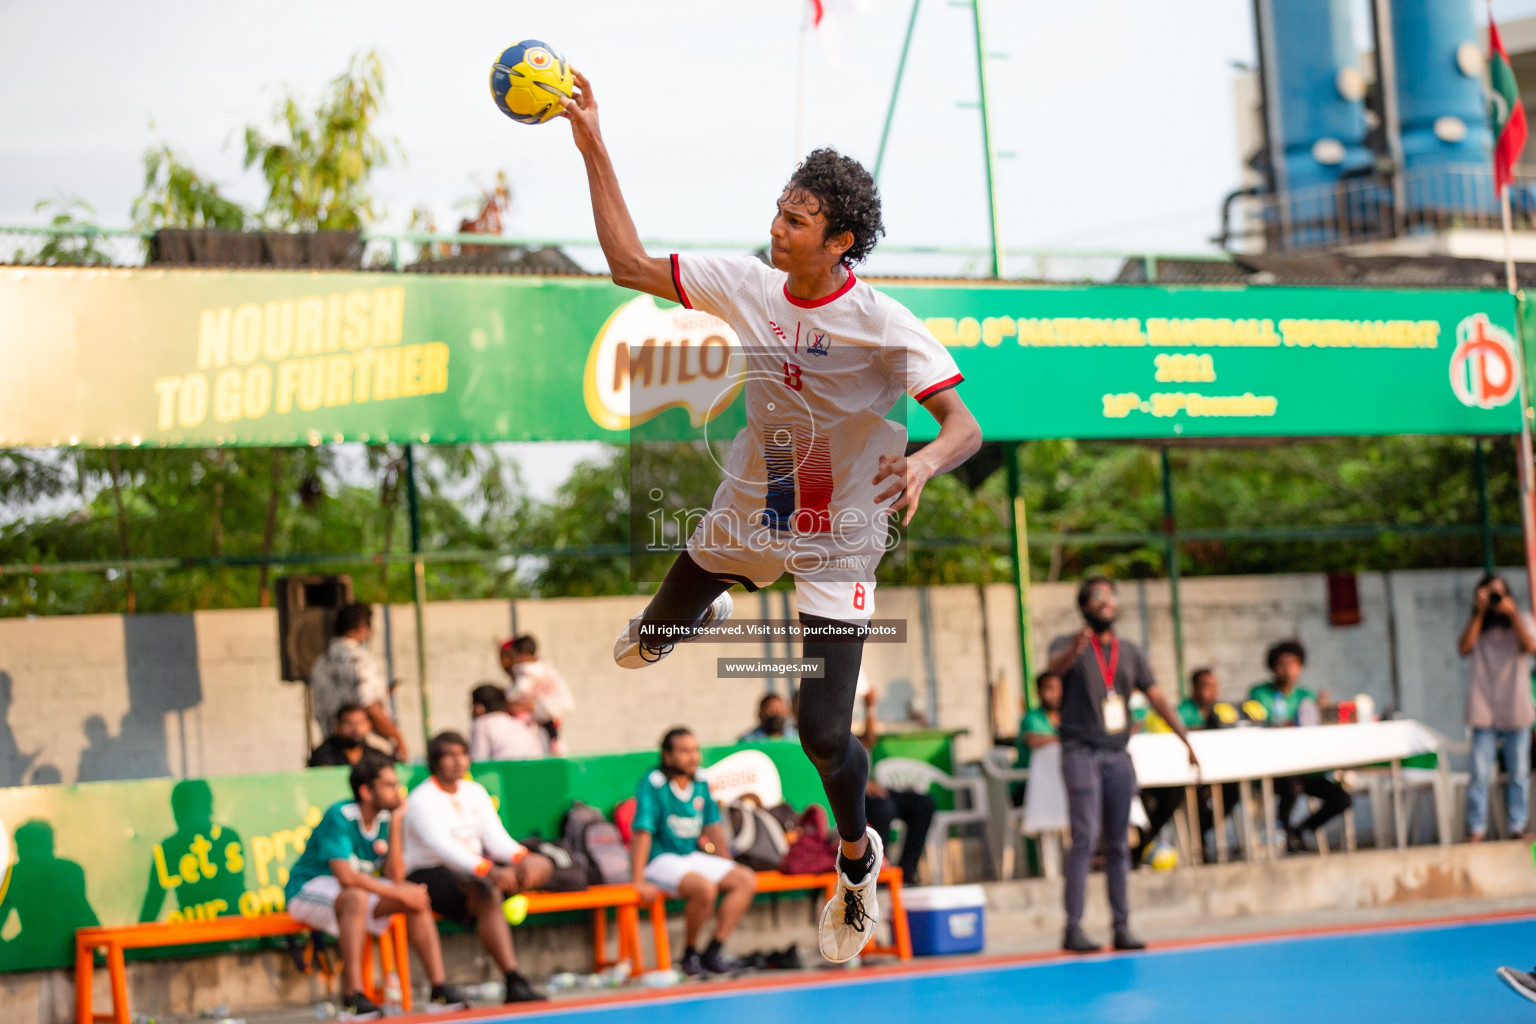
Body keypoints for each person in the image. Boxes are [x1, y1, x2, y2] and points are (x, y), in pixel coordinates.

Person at [559, 70, 982, 964]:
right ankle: (681, 613)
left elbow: (964, 424)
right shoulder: (747, 282)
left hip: (842, 534)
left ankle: (857, 862)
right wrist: (592, 142)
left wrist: (924, 461)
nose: (778, 224)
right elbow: (628, 262)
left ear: (841, 241)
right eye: (780, 208)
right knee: (669, 608)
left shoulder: (883, 321)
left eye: (797, 217)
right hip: (760, 499)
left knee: (822, 734)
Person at [1046, 576, 1197, 954]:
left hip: (1117, 755)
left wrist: (1185, 738)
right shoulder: (1068, 645)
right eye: (1098, 596)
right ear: (1084, 606)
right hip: (1080, 752)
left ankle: (1122, 925)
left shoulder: (1129, 651)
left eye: (1111, 596)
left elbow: (1157, 695)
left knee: (1118, 843)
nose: (1106, 601)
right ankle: (1073, 927)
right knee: (1083, 838)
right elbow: (1051, 671)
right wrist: (1073, 651)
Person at [285, 752, 468, 1019]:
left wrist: (396, 823)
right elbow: (345, 877)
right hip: (308, 891)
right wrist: (397, 890)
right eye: (389, 785)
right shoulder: (340, 815)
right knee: (357, 897)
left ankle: (438, 990)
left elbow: (395, 877)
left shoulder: (385, 819)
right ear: (366, 791)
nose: (398, 791)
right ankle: (352, 998)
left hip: (350, 893)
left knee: (414, 898)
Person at [401, 732, 553, 1004]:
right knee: (486, 890)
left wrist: (521, 859)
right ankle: (513, 978)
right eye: (450, 755)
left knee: (541, 864)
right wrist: (488, 870)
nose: (458, 761)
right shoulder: (421, 799)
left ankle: (509, 889)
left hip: (478, 871)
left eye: (462, 754)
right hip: (432, 874)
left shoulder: (474, 792)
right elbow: (443, 848)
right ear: (436, 761)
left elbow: (496, 838)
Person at [631, 728, 756, 976]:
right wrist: (637, 880)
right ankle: (689, 955)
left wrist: (726, 864)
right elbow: (642, 831)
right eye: (684, 751)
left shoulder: (700, 780)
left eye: (695, 750)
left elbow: (713, 825)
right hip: (660, 858)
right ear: (667, 756)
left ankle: (712, 951)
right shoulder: (653, 783)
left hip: (690, 856)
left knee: (745, 879)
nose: (692, 757)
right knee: (705, 889)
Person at [1248, 640, 1351, 852]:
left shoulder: (1306, 696)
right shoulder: (1259, 694)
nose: (1288, 670)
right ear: (1273, 667)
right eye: (1282, 664)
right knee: (1291, 786)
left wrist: (1321, 710)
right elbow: (1258, 726)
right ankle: (1284, 835)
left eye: (1293, 664)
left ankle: (1299, 830)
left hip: (1304, 768)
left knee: (1341, 798)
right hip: (1274, 769)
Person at [1459, 573, 1536, 841]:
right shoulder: (1477, 626)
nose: (1494, 600)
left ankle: (1517, 827)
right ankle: (1476, 829)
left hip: (1516, 707)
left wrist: (1512, 614)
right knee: (1479, 774)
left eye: (1499, 594)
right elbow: (1464, 647)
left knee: (1519, 773)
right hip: (1484, 709)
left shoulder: (1521, 619)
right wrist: (1479, 612)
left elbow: (1531, 647)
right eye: (1489, 594)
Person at [310, 603, 408, 762]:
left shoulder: (320, 663)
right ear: (363, 627)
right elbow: (370, 707)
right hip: (365, 754)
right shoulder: (360, 660)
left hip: (332, 751)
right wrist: (398, 740)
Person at [858, 688, 934, 885]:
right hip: (851, 795)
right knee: (884, 807)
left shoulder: (837, 724)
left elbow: (867, 740)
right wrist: (862, 786)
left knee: (923, 804)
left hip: (869, 789)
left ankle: (906, 871)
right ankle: (880, 873)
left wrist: (869, 709)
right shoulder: (813, 736)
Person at [501, 636, 575, 754]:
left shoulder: (548, 674)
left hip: (542, 739)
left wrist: (532, 706)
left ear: (522, 655)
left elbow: (567, 704)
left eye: (510, 656)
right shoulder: (518, 677)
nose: (507, 661)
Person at [468, 684, 548, 762]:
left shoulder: (481, 724)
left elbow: (479, 761)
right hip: (533, 769)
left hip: (506, 772)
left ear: (479, 708)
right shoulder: (517, 723)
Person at [308, 703, 377, 768]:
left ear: (369, 725)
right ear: (337, 726)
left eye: (360, 723)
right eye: (349, 723)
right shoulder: (323, 755)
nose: (356, 728)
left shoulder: (374, 755)